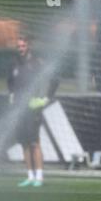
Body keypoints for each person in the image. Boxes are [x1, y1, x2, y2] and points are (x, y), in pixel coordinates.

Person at [8, 36, 59, 187]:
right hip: (19, 109)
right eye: (18, 46)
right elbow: (10, 82)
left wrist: (46, 99)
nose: (20, 49)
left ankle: (40, 177)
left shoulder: (37, 63)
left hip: (33, 108)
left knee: (34, 142)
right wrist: (11, 95)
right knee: (24, 143)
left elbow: (55, 80)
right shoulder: (14, 64)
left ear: (28, 46)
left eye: (23, 46)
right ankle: (30, 176)